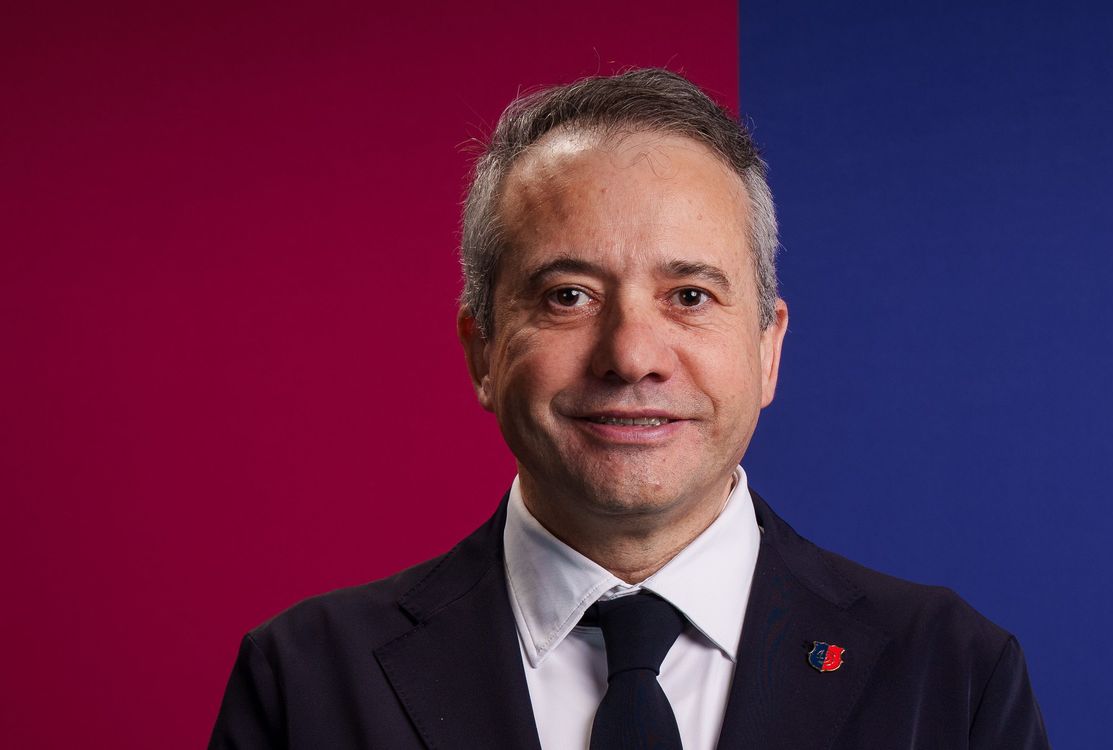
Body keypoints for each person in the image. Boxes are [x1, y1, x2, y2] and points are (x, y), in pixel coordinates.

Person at [210, 68, 1050, 749]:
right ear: (481, 351)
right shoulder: (307, 683)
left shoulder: (951, 678)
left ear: (767, 349)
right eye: (568, 295)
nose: (632, 356)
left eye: (690, 295)